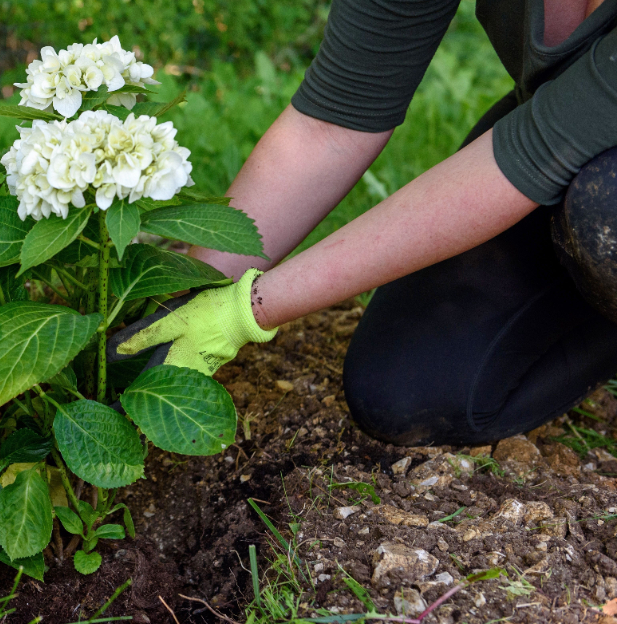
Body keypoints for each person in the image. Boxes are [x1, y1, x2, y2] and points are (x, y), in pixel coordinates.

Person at [107, 0, 617, 446]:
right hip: (562, 146)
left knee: (605, 209)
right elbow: (331, 122)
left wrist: (245, 312)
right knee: (408, 387)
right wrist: (184, 289)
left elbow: (528, 158)